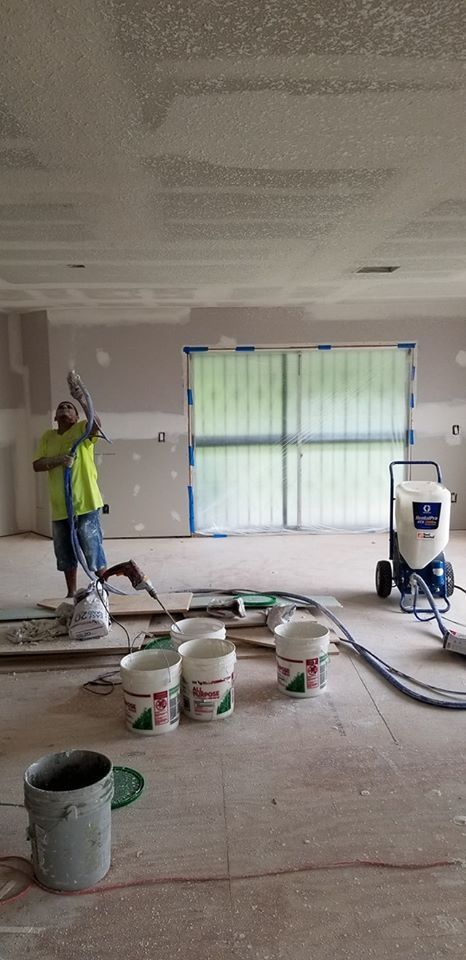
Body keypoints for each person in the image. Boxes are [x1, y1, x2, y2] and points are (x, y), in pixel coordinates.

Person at [33, 391, 107, 597]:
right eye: (61, 408)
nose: (65, 410)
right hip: (60, 507)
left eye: (69, 407)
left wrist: (82, 400)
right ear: (55, 417)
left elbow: (96, 425)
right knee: (65, 553)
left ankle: (105, 589)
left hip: (86, 503)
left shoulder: (81, 430)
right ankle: (71, 592)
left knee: (92, 548)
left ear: (76, 417)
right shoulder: (47, 437)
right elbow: (37, 464)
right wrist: (58, 460)